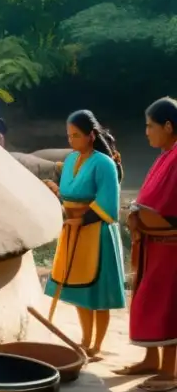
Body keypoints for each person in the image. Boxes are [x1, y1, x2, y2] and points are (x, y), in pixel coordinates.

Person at [42, 110, 126, 359]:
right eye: (69, 136)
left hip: (96, 232)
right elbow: (68, 195)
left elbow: (108, 204)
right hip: (73, 230)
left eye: (76, 135)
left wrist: (82, 219)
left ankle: (97, 345)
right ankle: (84, 340)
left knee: (96, 291)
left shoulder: (104, 163)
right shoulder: (69, 161)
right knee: (79, 290)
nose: (71, 140)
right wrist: (55, 192)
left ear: (91, 136)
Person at [117, 97, 177, 390]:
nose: (146, 132)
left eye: (150, 126)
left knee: (167, 304)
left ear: (168, 126)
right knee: (145, 300)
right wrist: (137, 214)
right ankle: (151, 359)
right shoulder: (165, 154)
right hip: (153, 244)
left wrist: (141, 215)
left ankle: (169, 370)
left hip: (171, 246)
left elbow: (169, 207)